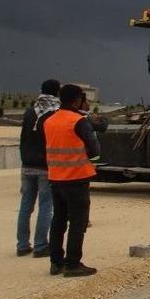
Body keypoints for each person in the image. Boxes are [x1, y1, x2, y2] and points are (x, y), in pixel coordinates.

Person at [44, 84, 101, 277]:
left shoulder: (49, 121)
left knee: (58, 220)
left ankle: (56, 262)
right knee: (78, 223)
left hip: (55, 179)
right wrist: (89, 159)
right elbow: (94, 149)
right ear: (77, 100)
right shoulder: (78, 121)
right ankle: (73, 263)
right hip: (76, 178)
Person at [16, 79, 60, 258]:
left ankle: (22, 245)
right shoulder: (54, 113)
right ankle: (41, 245)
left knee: (26, 205)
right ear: (57, 92)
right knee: (46, 206)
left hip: (27, 165)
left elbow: (22, 139)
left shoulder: (29, 112)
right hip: (45, 166)